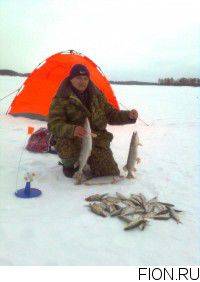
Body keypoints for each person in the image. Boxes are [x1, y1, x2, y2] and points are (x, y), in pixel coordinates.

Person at [48, 64, 138, 178]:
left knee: (109, 173)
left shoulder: (97, 96)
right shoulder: (61, 98)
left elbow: (111, 114)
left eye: (85, 78)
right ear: (71, 79)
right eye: (78, 78)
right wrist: (72, 130)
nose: (82, 81)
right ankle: (69, 164)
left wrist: (128, 116)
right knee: (68, 151)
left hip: (97, 140)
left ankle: (90, 160)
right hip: (73, 140)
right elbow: (53, 124)